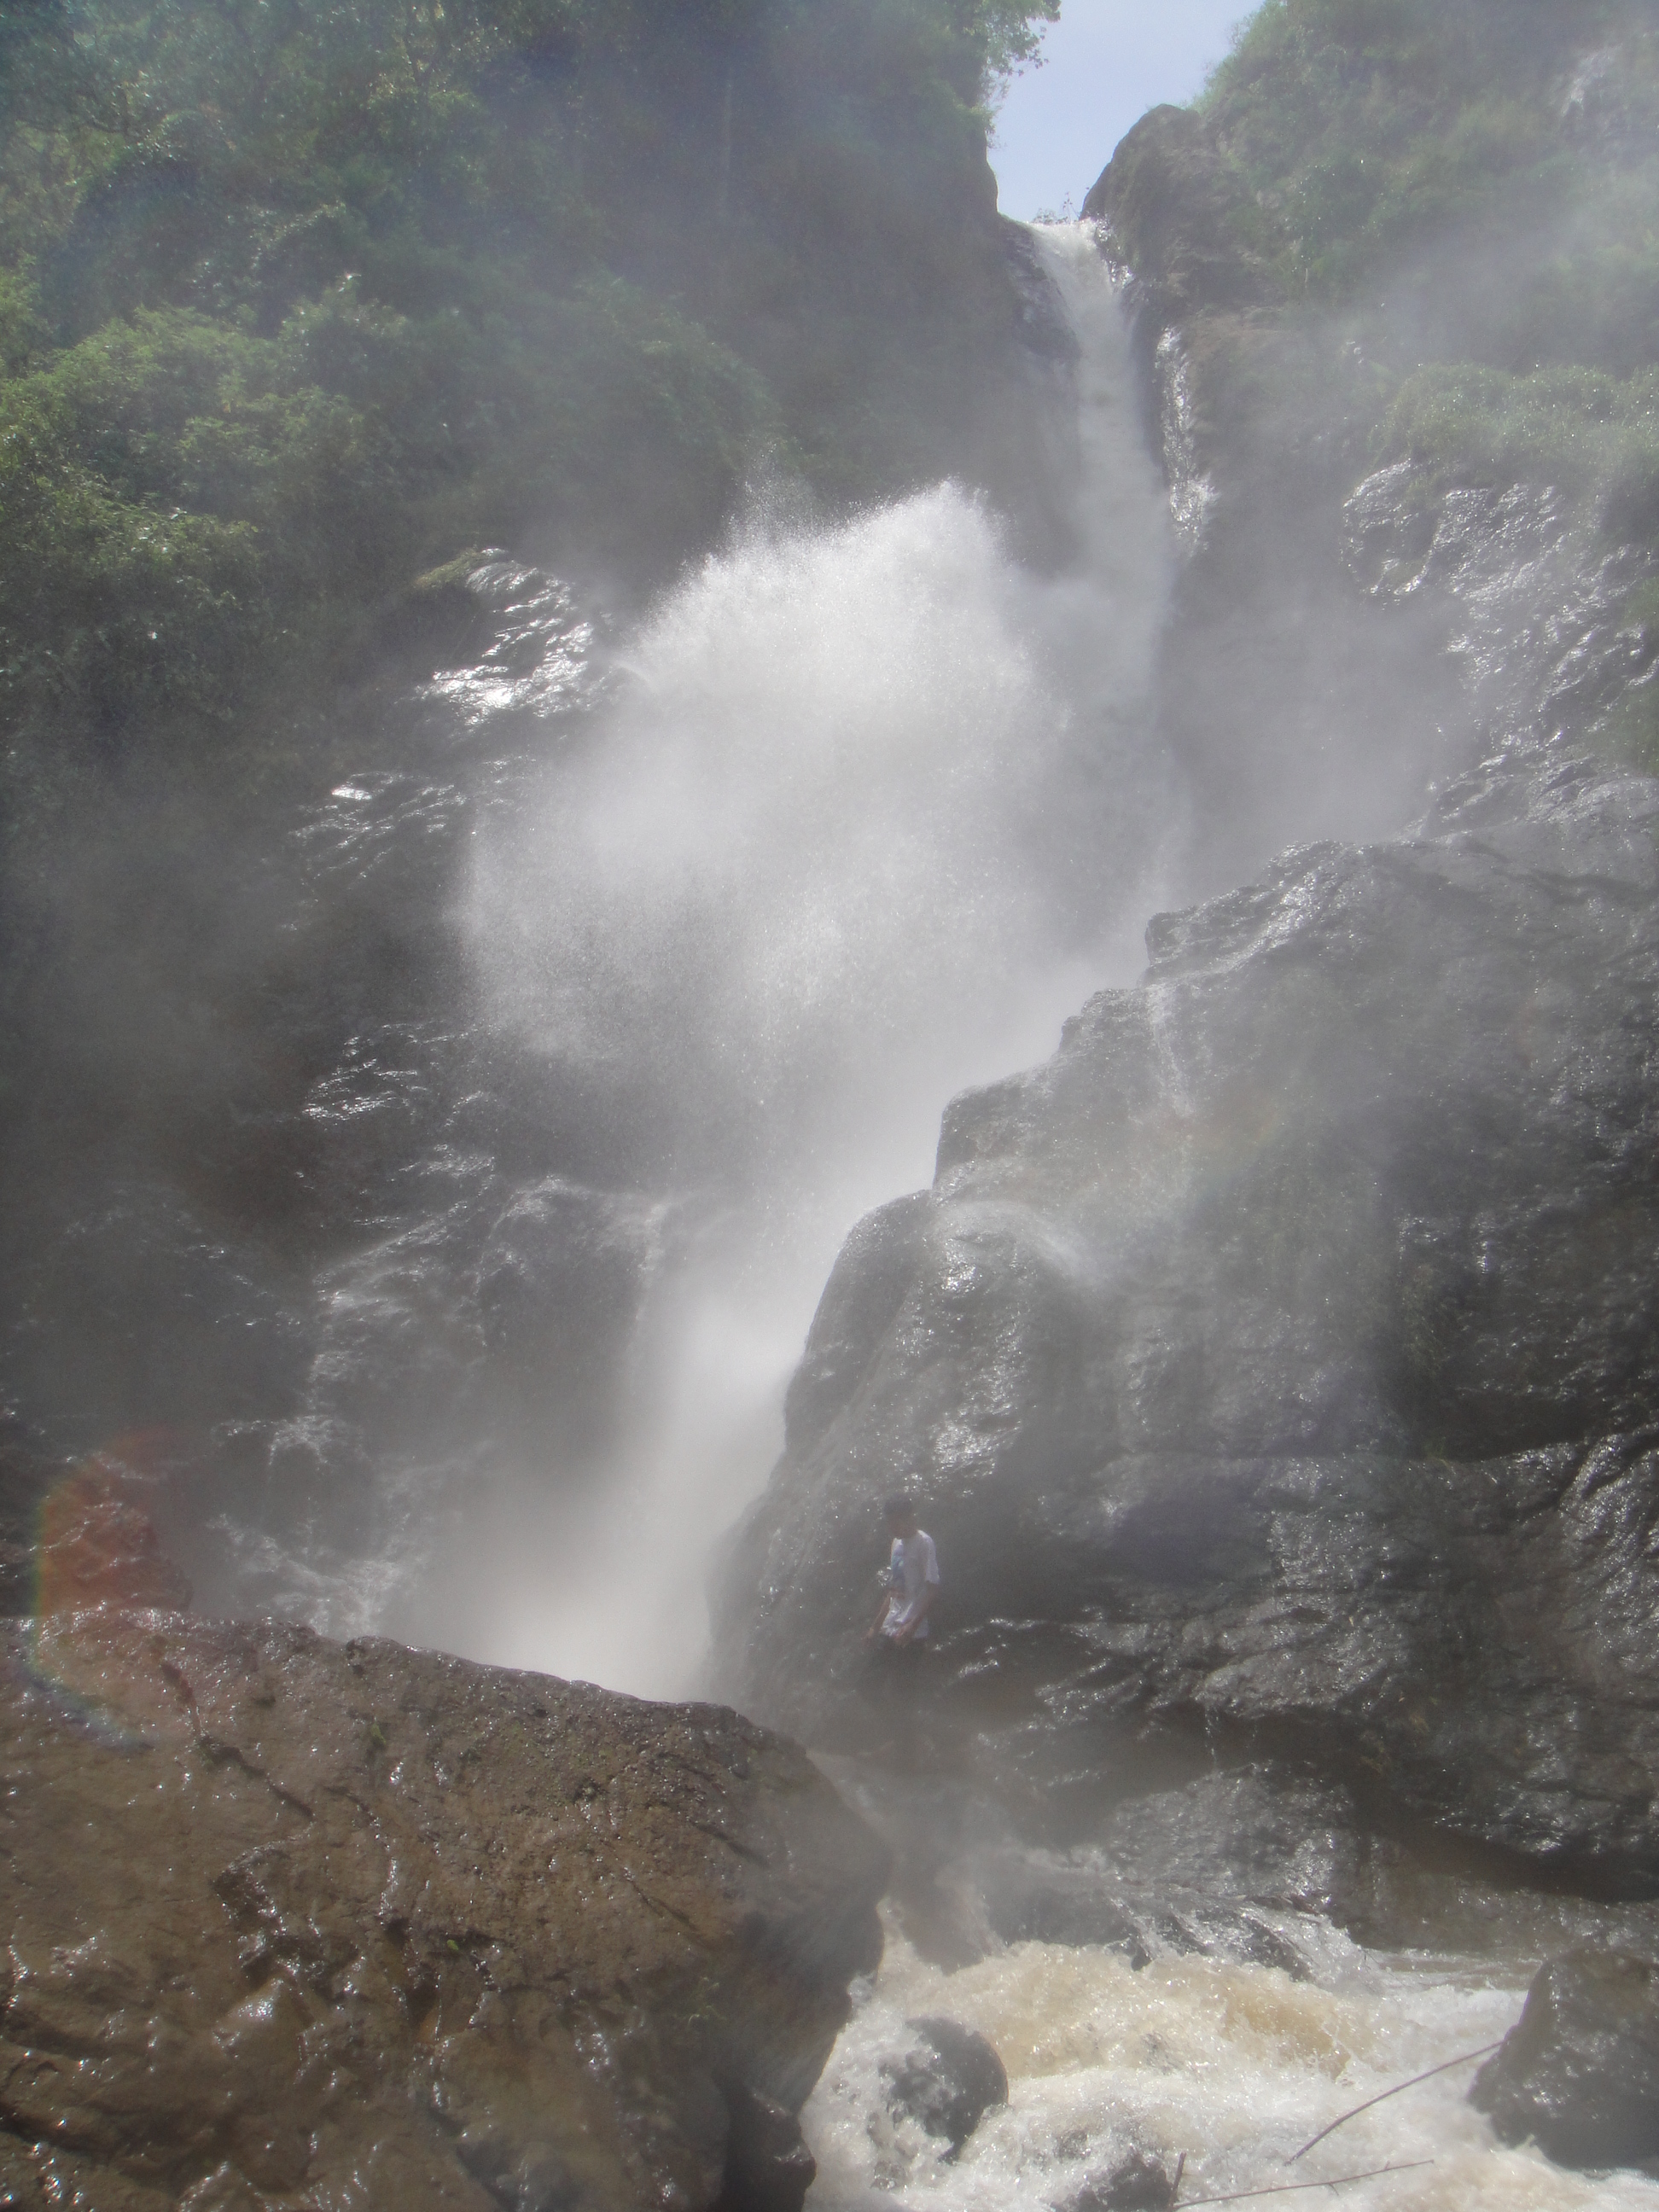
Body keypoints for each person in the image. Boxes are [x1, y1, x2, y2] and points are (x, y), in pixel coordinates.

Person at [864, 1493, 940, 1653]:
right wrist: (874, 1628)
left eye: (895, 1522)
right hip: (889, 1628)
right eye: (888, 1523)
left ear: (908, 1517)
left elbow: (932, 1589)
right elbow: (894, 1589)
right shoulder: (896, 1543)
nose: (891, 1528)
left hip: (911, 1634)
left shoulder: (924, 1543)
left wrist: (912, 1626)